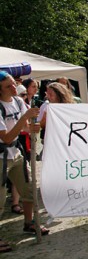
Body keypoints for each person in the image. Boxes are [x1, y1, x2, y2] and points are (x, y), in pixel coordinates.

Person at [0, 71, 49, 244]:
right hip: (2, 156)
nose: (14, 88)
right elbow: (6, 137)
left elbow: (26, 127)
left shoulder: (18, 101)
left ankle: (29, 222)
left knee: (28, 189)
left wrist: (33, 127)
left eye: (14, 83)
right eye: (8, 86)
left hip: (17, 153)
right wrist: (25, 121)